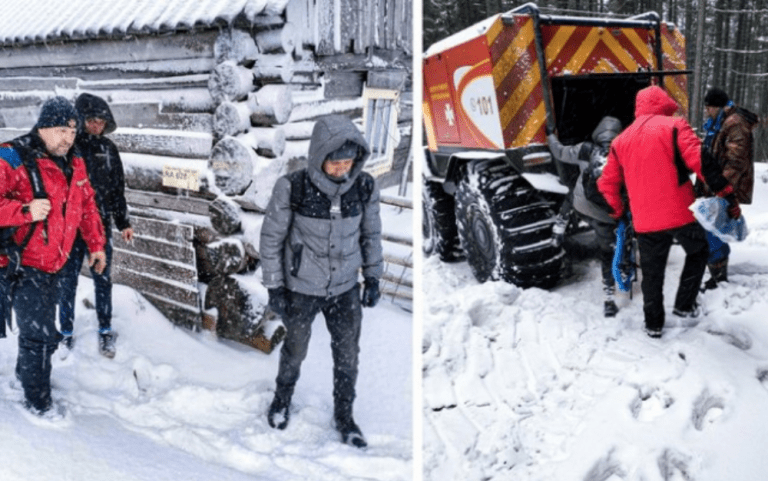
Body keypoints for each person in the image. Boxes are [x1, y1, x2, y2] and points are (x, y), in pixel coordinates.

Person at [259, 115, 383, 448]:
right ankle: (282, 399)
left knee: (347, 355)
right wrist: (275, 287)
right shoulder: (293, 187)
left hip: (345, 290)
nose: (342, 168)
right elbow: (271, 239)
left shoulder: (365, 187)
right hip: (302, 289)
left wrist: (372, 276)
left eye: (347, 162)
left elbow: (370, 233)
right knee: (295, 350)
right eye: (335, 162)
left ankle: (345, 416)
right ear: (318, 157)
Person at [597, 86, 738, 339]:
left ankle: (653, 324)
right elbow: (701, 160)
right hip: (680, 214)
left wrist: (618, 212)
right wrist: (726, 193)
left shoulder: (621, 141)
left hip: (645, 221)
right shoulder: (674, 126)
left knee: (652, 272)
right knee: (699, 251)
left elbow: (607, 184)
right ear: (663, 104)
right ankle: (684, 306)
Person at [0, 96, 106, 416]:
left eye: (72, 132)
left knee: (43, 333)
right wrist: (24, 210)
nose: (67, 138)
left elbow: (87, 206)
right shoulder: (12, 157)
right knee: (41, 335)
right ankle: (39, 402)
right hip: (22, 263)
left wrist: (97, 245)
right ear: (43, 128)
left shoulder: (75, 162)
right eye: (61, 130)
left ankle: (25, 376)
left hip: (56, 263)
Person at [57, 93, 133, 358]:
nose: (97, 125)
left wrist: (123, 221)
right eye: (92, 120)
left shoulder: (109, 150)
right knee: (67, 281)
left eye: (102, 121)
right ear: (81, 120)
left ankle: (105, 330)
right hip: (69, 228)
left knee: (103, 279)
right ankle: (65, 331)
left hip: (99, 227)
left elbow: (116, 190)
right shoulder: (67, 148)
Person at [547, 116, 623, 317]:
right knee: (609, 253)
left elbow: (560, 152)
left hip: (581, 206)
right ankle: (609, 298)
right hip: (607, 216)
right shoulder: (624, 152)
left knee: (574, 189)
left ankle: (559, 227)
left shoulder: (585, 149)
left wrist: (550, 136)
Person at [695, 87, 757, 289]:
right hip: (717, 184)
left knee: (714, 230)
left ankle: (718, 278)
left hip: (725, 185)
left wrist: (721, 188)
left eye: (709, 107)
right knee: (713, 228)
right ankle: (717, 274)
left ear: (719, 106)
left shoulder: (735, 124)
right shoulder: (721, 122)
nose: (707, 112)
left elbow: (736, 162)